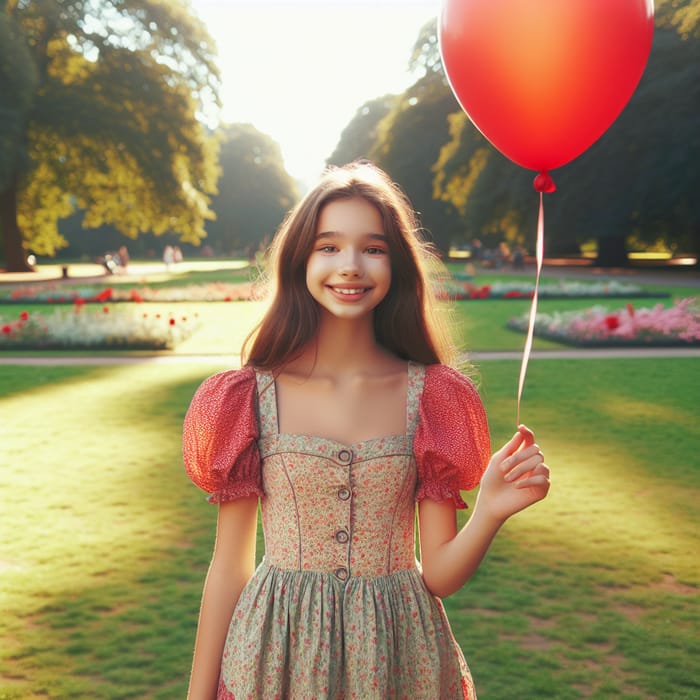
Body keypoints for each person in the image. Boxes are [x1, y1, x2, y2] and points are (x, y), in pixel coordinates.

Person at [182, 161, 550, 700]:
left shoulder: (434, 397)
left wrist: (490, 508)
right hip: (275, 655)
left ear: (396, 264)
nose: (350, 266)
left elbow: (440, 574)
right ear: (300, 261)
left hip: (400, 655)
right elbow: (228, 568)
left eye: (373, 248)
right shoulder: (246, 397)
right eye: (328, 246)